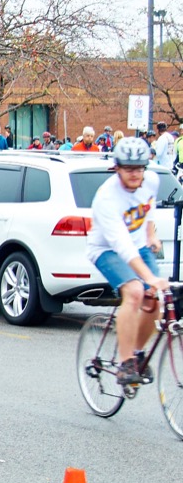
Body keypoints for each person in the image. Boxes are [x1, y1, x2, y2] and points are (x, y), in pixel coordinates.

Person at [86, 137, 168, 385]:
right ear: (117, 168)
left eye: (140, 168)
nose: (135, 174)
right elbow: (121, 245)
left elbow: (149, 206)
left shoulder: (151, 180)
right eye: (129, 168)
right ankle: (125, 362)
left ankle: (138, 354)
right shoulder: (107, 198)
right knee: (134, 291)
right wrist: (150, 277)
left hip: (139, 245)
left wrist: (151, 233)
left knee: (154, 301)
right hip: (106, 249)